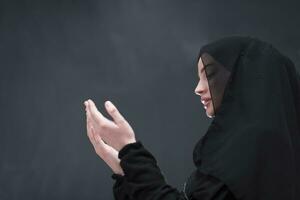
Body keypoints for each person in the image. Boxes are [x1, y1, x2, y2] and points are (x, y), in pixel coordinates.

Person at [83, 35, 300, 200]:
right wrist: (126, 172)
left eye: (210, 74)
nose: (198, 88)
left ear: (245, 78)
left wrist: (131, 152)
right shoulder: (248, 146)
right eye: (199, 78)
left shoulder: (256, 145)